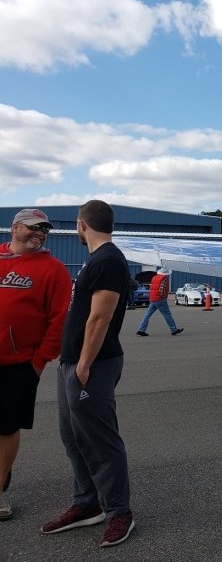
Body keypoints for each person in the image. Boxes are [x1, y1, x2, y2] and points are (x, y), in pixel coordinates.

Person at [40, 200, 135, 547]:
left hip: (92, 364)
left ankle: (119, 512)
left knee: (100, 439)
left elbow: (101, 317)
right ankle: (87, 504)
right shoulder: (95, 259)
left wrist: (83, 364)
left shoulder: (108, 259)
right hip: (73, 363)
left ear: (82, 224)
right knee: (73, 438)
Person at [0, 208, 72, 521]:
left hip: (19, 364)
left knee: (5, 427)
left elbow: (59, 321)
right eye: (33, 227)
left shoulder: (53, 270)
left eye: (44, 230)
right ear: (15, 228)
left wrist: (39, 362)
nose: (39, 233)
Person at [135, 268, 182, 337]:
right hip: (160, 299)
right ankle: (173, 329)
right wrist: (163, 297)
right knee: (167, 315)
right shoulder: (164, 278)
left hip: (153, 299)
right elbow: (162, 289)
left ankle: (141, 330)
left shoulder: (154, 277)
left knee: (147, 315)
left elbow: (152, 288)